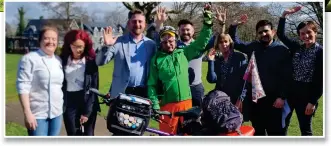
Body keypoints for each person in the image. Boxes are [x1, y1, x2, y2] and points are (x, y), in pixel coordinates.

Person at [147, 4, 214, 135]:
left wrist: (208, 18)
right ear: (160, 43)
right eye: (164, 41)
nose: (168, 44)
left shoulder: (184, 53)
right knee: (168, 136)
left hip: (186, 103)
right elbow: (152, 85)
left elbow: (202, 40)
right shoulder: (156, 59)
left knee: (188, 134)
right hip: (167, 105)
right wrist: (155, 105)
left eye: (171, 40)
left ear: (175, 40)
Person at [228, 15, 292, 136]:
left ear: (273, 32)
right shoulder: (253, 47)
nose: (263, 34)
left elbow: (287, 76)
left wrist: (282, 97)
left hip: (275, 100)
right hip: (257, 100)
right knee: (258, 132)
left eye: (266, 31)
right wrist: (233, 26)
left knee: (276, 133)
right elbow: (235, 43)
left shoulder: (282, 50)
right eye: (260, 32)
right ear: (257, 34)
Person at [153, 7, 215, 107]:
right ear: (178, 31)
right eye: (182, 30)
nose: (185, 32)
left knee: (198, 118)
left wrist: (211, 20)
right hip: (177, 89)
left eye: (188, 30)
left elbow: (208, 37)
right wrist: (159, 24)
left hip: (196, 88)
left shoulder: (198, 46)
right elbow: (159, 43)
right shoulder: (173, 46)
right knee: (179, 118)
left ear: (193, 31)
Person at [277, 6, 323, 136]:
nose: (306, 36)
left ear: (315, 32)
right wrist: (284, 15)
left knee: (305, 130)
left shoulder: (321, 52)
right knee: (282, 127)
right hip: (290, 95)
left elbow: (321, 80)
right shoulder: (297, 48)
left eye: (309, 32)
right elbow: (281, 35)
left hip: (307, 96)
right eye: (302, 33)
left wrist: (312, 101)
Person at [95, 9, 157, 98]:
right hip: (121, 93)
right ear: (129, 23)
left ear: (145, 25)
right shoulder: (117, 41)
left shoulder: (151, 44)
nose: (137, 24)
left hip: (143, 93)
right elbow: (99, 62)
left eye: (140, 21)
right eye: (134, 21)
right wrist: (107, 46)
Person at [16, 25, 64, 136]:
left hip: (56, 113)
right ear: (40, 40)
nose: (51, 42)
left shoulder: (58, 60)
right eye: (47, 38)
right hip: (37, 115)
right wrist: (27, 113)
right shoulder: (29, 59)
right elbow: (23, 86)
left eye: (54, 39)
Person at [206, 7, 250, 121]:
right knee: (222, 125)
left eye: (226, 41)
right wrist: (210, 61)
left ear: (230, 43)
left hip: (236, 98)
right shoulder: (218, 59)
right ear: (218, 45)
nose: (223, 44)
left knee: (236, 124)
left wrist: (240, 99)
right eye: (221, 42)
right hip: (221, 99)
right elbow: (211, 80)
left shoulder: (239, 58)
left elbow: (244, 81)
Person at [60, 30, 100, 136]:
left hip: (87, 100)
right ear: (69, 45)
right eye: (75, 46)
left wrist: (87, 112)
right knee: (72, 134)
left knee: (88, 135)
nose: (78, 50)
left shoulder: (91, 62)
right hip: (69, 101)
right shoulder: (62, 60)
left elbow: (94, 88)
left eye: (81, 47)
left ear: (85, 46)